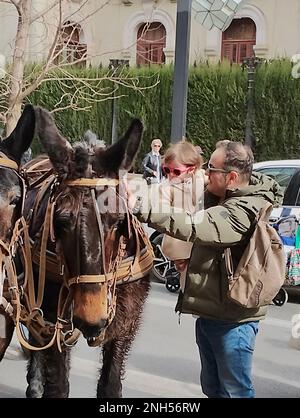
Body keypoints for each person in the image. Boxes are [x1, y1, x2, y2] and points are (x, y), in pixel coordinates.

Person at [131, 140, 283, 398]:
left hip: (233, 322)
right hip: (211, 313)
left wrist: (138, 207)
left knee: (235, 391)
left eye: (211, 168)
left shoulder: (242, 210)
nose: (205, 172)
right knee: (213, 389)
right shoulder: (223, 193)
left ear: (232, 177)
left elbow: (196, 225)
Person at [159, 141, 204, 290]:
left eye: (176, 171)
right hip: (181, 245)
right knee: (188, 289)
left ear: (192, 169)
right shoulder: (167, 187)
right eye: (166, 170)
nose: (171, 175)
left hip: (202, 245)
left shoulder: (204, 180)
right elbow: (162, 214)